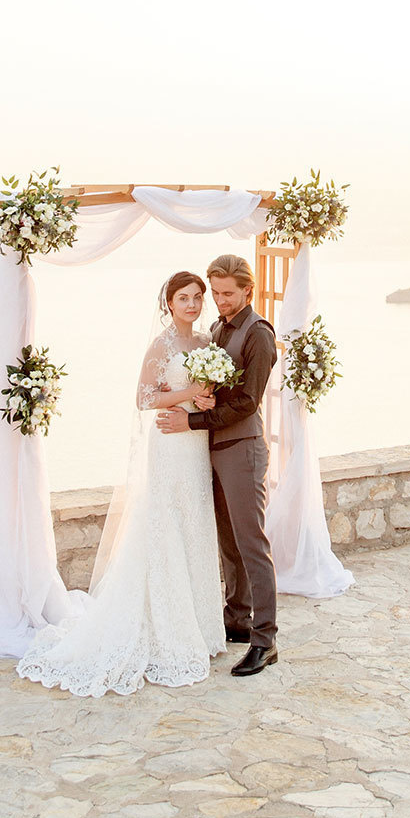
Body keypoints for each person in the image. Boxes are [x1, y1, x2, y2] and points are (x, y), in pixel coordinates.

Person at [15, 271, 227, 696]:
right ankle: (165, 628)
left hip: (196, 441)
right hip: (169, 442)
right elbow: (144, 398)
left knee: (195, 524)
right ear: (168, 303)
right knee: (164, 525)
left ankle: (199, 627)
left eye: (198, 298)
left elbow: (211, 392)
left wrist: (205, 398)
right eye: (184, 298)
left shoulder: (207, 344)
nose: (192, 304)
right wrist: (184, 395)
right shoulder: (161, 345)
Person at [157, 253, 279, 677]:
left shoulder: (259, 335)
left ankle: (265, 640)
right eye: (218, 294)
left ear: (248, 290)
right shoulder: (215, 329)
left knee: (251, 545)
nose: (221, 302)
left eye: (229, 294)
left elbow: (247, 403)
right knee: (228, 544)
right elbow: (216, 389)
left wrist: (191, 419)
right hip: (213, 448)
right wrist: (200, 399)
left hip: (242, 449)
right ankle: (237, 619)